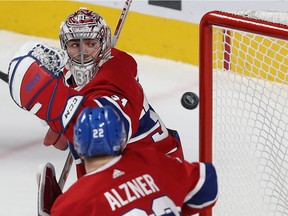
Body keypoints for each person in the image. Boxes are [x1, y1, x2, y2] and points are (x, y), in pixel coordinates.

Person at [8, 8, 184, 167]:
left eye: (90, 44)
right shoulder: (67, 75)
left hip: (156, 165)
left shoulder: (117, 73)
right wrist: (60, 120)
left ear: (103, 44)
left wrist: (56, 107)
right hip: (127, 165)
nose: (83, 53)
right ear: (64, 46)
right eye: (75, 44)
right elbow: (59, 139)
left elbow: (107, 133)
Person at [50, 106, 218, 216]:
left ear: (77, 147)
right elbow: (208, 184)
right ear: (123, 139)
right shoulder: (152, 162)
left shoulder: (73, 202)